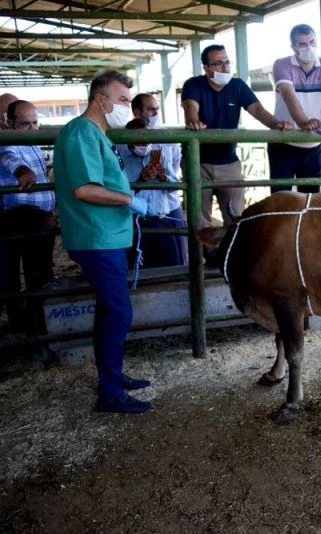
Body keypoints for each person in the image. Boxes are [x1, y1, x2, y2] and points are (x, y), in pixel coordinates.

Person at [53, 70, 152, 414]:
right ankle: (109, 393)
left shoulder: (96, 133)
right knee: (118, 311)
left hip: (106, 234)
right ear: (101, 99)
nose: (129, 107)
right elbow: (85, 189)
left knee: (112, 311)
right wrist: (129, 201)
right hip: (96, 235)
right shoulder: (82, 132)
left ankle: (112, 377)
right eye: (123, 100)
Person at [181, 44, 292, 227]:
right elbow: (190, 106)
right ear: (206, 68)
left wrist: (276, 124)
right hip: (197, 163)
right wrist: (193, 121)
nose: (224, 67)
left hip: (229, 163)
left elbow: (257, 109)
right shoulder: (193, 84)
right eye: (217, 63)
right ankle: (201, 256)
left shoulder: (237, 85)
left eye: (226, 62)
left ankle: (230, 255)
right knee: (199, 220)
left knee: (236, 217)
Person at [269, 24, 321, 195]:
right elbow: (288, 94)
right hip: (283, 143)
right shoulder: (282, 65)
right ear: (293, 47)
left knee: (310, 199)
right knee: (280, 199)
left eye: (312, 41)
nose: (309, 47)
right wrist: (304, 122)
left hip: (313, 144)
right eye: (302, 44)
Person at [0, 100, 56, 333]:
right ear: (9, 123)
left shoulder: (32, 140)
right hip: (18, 217)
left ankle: (39, 322)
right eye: (24, 124)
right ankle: (25, 324)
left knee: (40, 271)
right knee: (15, 273)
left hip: (41, 216)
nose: (32, 129)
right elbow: (9, 157)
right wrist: (22, 171)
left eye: (35, 122)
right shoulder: (6, 140)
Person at [118, 118, 188, 268]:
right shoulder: (120, 158)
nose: (145, 144)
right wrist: (141, 180)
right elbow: (118, 194)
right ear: (129, 141)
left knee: (171, 266)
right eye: (140, 141)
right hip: (135, 222)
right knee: (139, 266)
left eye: (147, 139)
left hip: (162, 217)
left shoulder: (159, 152)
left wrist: (164, 178)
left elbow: (175, 187)